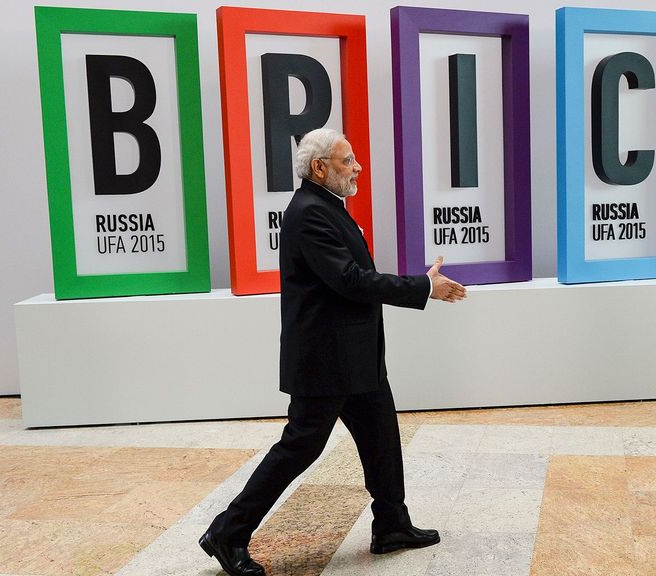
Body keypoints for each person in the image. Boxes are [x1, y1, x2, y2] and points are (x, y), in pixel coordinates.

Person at [199, 128, 467, 576]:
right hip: (327, 361)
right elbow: (350, 280)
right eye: (348, 161)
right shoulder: (308, 214)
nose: (357, 168)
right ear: (320, 167)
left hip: (355, 357)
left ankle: (392, 525)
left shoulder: (327, 208)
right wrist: (423, 287)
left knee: (381, 436)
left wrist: (419, 285)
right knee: (299, 447)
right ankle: (228, 532)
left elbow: (354, 278)